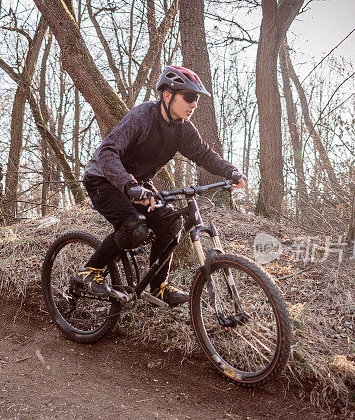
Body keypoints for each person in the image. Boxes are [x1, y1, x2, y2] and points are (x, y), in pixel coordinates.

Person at [75, 64, 246, 306]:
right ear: (167, 95)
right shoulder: (142, 116)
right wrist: (129, 186)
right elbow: (107, 152)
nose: (194, 104)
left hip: (139, 183)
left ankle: (158, 288)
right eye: (189, 97)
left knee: (172, 224)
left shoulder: (183, 129)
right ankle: (90, 269)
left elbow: (204, 154)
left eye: (196, 99)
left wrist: (231, 171)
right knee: (134, 227)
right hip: (102, 179)